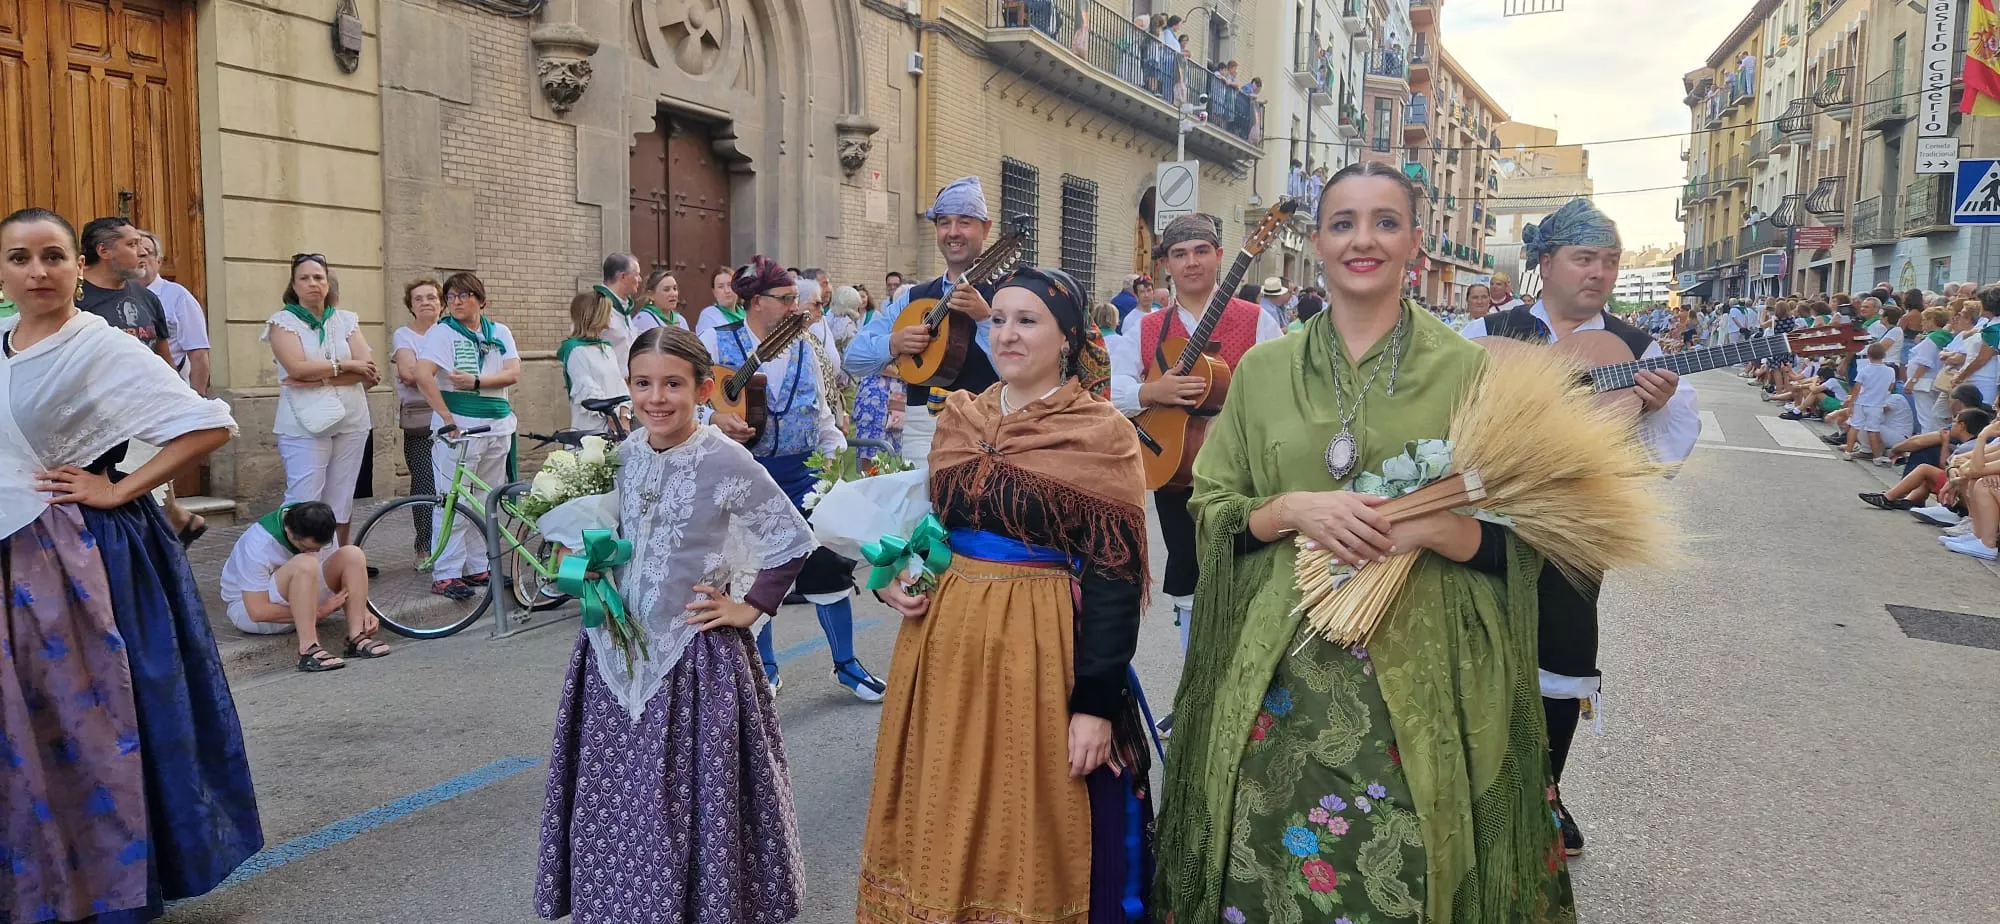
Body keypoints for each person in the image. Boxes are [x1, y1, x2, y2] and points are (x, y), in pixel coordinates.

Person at [1154, 164, 1573, 924]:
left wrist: (1433, 527)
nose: (1363, 240)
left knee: (1411, 871)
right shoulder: (1261, 371)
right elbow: (1214, 509)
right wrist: (1288, 508)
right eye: (1343, 222)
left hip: (1425, 675)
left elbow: (1523, 537)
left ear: (1416, 241)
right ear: (1316, 242)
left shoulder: (1469, 370)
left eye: (1386, 221)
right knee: (1269, 867)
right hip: (1276, 680)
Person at [861, 266, 1153, 923]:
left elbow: (1116, 574)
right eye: (1000, 319)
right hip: (941, 646)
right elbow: (938, 531)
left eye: (1029, 321)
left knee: (1026, 808)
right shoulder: (961, 416)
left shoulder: (1101, 434)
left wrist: (1096, 705)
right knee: (941, 800)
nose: (1009, 334)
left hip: (1040, 649)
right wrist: (903, 578)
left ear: (1068, 337)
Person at [0, 206, 260, 921]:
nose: (37, 271)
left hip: (85, 559)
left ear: (77, 269)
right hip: (15, 559)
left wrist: (114, 487)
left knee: (94, 719)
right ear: (3, 271)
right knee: (28, 725)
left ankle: (108, 885)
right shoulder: (3, 342)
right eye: (20, 257)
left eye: (52, 255)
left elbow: (208, 424)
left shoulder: (100, 345)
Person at [536, 325, 811, 924]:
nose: (656, 398)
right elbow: (611, 532)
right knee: (618, 795)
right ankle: (619, 907)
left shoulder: (725, 458)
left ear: (704, 388)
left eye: (673, 384)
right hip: (614, 652)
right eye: (642, 384)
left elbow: (790, 539)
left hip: (692, 656)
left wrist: (750, 606)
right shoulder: (624, 453)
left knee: (691, 796)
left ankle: (697, 906)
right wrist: (580, 559)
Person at [1458, 196, 1697, 857]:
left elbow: (1668, 453)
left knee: (1560, 660)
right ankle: (1470, 788)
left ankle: (1545, 794)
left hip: (1578, 529)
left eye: (1611, 261)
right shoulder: (1486, 335)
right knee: (1477, 652)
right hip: (1487, 518)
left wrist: (1654, 410)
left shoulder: (1638, 349)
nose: (1599, 273)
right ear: (1545, 263)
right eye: (1584, 257)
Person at [704, 257, 884, 701]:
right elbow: (688, 403)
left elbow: (822, 416)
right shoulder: (716, 341)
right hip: (747, 479)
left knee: (828, 568)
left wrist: (834, 470)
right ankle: (762, 667)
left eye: (796, 300)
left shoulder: (805, 346)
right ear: (755, 302)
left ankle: (846, 665)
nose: (794, 308)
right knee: (754, 573)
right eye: (785, 300)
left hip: (804, 473)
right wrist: (714, 417)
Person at [1111, 212, 1284, 646]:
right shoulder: (1146, 326)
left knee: (1243, 570)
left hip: (1241, 472)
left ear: (1221, 256)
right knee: (1188, 573)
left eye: (1201, 251)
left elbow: (1284, 387)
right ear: (1165, 264)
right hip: (1175, 471)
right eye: (1180, 253)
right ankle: (1193, 682)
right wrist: (1154, 393)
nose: (1191, 262)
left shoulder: (1257, 320)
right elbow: (1113, 388)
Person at [844, 177, 1005, 463]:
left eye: (965, 222)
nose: (953, 232)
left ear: (987, 228)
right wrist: (894, 343)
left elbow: (1023, 372)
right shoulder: (912, 298)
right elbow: (853, 358)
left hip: (988, 436)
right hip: (921, 435)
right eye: (944, 223)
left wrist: (985, 319)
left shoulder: (1009, 295)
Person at [76, 216, 207, 543]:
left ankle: (170, 540)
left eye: (144, 246)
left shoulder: (146, 297)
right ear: (104, 250)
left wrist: (181, 404)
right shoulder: (76, 300)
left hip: (147, 417)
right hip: (98, 426)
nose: (142, 253)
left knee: (152, 503)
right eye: (132, 245)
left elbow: (163, 358)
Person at [413, 271, 522, 600]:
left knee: (486, 499)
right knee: (453, 500)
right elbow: (422, 375)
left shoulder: (499, 331)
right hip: (459, 428)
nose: (457, 302)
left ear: (481, 300)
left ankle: (478, 566)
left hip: (497, 425)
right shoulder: (443, 332)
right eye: (451, 297)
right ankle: (446, 571)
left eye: (464, 296)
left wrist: (477, 382)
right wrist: (446, 418)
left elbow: (513, 372)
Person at [266, 253, 378, 547]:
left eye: (319, 277)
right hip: (304, 423)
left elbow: (367, 371)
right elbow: (296, 368)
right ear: (294, 285)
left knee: (341, 500)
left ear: (329, 284)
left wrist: (319, 378)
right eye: (304, 278)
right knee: (304, 498)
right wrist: (347, 367)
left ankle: (336, 562)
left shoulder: (346, 320)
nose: (313, 283)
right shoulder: (283, 322)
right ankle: (295, 565)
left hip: (351, 419)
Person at [220, 500, 387, 669]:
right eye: (307, 547)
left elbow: (336, 572)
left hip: (302, 599)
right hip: (248, 611)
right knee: (306, 563)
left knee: (353, 554)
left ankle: (356, 636)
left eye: (320, 547)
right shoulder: (258, 544)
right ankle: (308, 649)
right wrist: (319, 612)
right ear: (290, 532)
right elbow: (257, 611)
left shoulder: (320, 527)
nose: (316, 552)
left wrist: (362, 611)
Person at [392, 278, 443, 558]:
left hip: (455, 420)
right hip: (421, 422)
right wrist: (446, 373)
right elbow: (409, 374)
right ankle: (424, 547)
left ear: (441, 303)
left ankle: (449, 548)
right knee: (425, 484)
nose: (426, 302)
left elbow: (418, 372)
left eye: (431, 297)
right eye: (419, 299)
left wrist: (424, 372)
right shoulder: (404, 335)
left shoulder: (449, 331)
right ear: (411, 306)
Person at [139, 230, 210, 395]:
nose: (140, 258)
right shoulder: (118, 295)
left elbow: (198, 353)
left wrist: (198, 399)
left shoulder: (178, 297)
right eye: (136, 253)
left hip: (168, 390)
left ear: (159, 260)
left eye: (147, 253)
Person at [559, 291, 631, 433]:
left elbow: (620, 383)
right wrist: (613, 420)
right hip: (592, 427)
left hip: (617, 427)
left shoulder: (607, 348)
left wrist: (624, 417)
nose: (611, 315)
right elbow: (587, 389)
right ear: (595, 315)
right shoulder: (575, 351)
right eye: (608, 311)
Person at [595, 253, 645, 373]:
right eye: (637, 275)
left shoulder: (623, 307)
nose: (640, 279)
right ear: (623, 277)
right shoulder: (596, 306)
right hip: (608, 385)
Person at [633, 267, 691, 334]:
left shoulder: (681, 320)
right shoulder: (643, 320)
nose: (673, 294)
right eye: (666, 290)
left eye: (675, 289)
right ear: (651, 295)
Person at [695, 268, 746, 340]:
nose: (727, 291)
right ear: (714, 292)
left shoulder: (746, 312)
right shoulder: (708, 316)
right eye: (721, 287)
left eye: (730, 285)